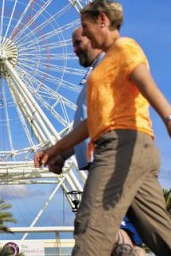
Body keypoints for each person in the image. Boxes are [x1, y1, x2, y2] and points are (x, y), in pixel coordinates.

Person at [34, 0, 171, 256]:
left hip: (121, 146)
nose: (82, 33)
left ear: (103, 21)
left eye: (84, 28)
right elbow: (92, 122)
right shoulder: (106, 66)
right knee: (160, 233)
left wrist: (170, 119)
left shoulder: (124, 47)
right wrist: (56, 149)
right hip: (136, 150)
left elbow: (144, 80)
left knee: (91, 227)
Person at [49, 27, 145, 256]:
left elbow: (98, 120)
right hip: (105, 156)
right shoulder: (94, 75)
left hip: (112, 156)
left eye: (78, 42)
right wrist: (62, 154)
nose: (74, 50)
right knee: (145, 229)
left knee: (93, 225)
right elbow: (87, 124)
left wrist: (170, 119)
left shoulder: (111, 66)